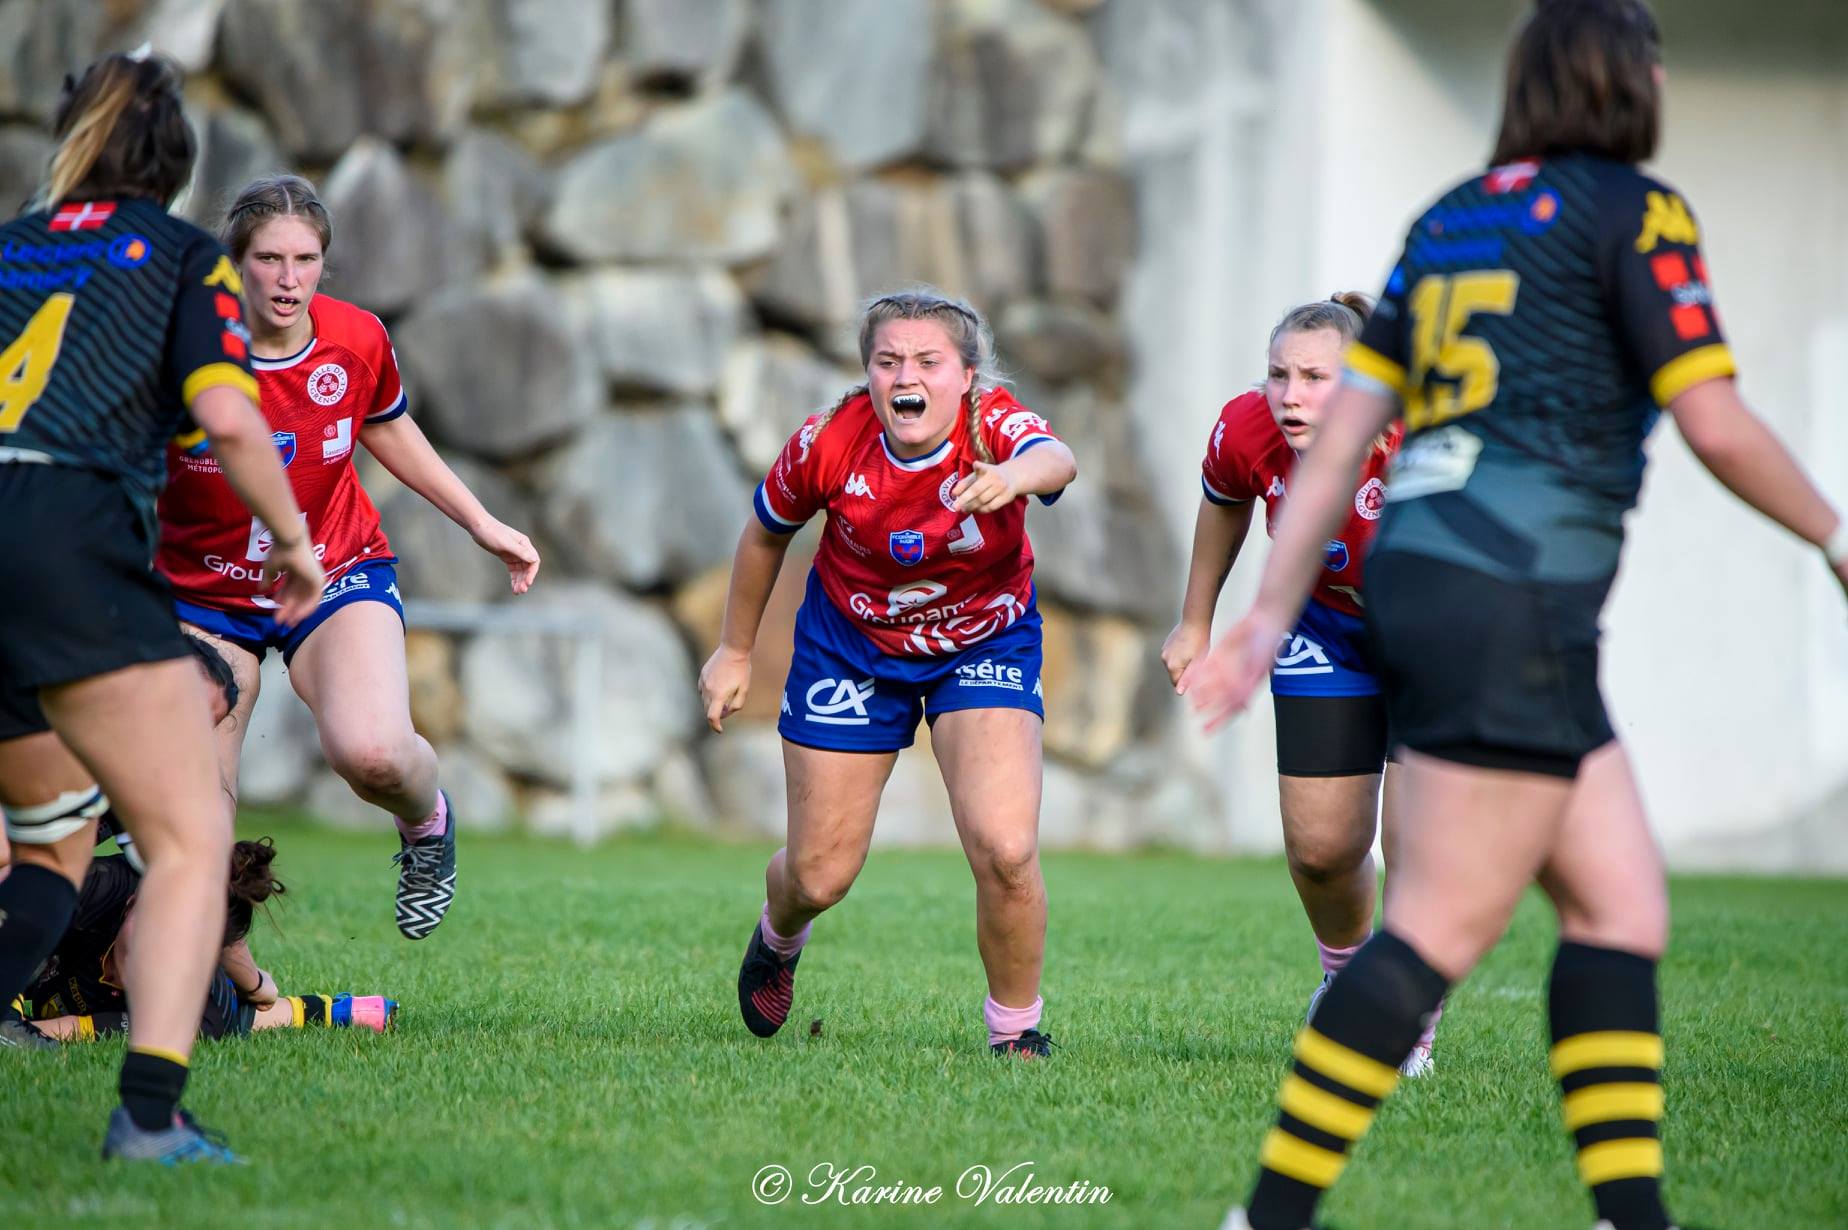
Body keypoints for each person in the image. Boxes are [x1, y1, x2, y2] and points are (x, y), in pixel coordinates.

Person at [1193, 4, 1848, 1229]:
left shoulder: (1450, 218)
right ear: (1625, 79)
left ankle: (1630, 1214)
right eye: (1652, 64)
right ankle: (1268, 1217)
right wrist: (1835, 535)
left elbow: (1341, 442)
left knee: (1618, 904)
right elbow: (1714, 421)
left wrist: (1268, 616)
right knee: (1436, 925)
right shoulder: (1636, 211)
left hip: (1427, 577)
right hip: (1513, 593)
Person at [0, 52, 324, 1163]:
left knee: (53, 843)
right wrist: (293, 543)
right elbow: (231, 420)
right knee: (189, 837)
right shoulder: (184, 259)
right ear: (177, 162)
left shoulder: (12, 247)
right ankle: (148, 1117)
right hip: (73, 547)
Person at [155, 175, 541, 941]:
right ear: (235, 263)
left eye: (305, 259)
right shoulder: (179, 348)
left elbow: (386, 424)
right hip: (201, 594)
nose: (288, 279)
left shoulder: (356, 338)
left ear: (323, 264)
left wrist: (480, 522)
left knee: (375, 755)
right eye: (269, 259)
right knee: (201, 820)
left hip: (335, 566)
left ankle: (427, 825)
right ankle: (222, 979)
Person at [698, 287, 1077, 1056]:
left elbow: (1056, 458)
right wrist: (735, 651)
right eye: (888, 360)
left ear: (966, 375)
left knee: (1006, 848)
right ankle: (780, 933)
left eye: (929, 361)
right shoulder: (829, 442)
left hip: (984, 644)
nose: (907, 376)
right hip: (853, 647)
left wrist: (1014, 477)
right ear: (867, 372)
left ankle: (1015, 1033)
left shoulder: (994, 425)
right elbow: (765, 534)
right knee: (819, 875)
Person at [1160, 294, 1441, 1076]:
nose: (1290, 395)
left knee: (1415, 845)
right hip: (1326, 629)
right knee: (1321, 849)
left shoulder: (1422, 431)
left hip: (1433, 643)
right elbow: (1224, 503)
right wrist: (1195, 622)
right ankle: (1346, 979)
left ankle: (1404, 1018)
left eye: (1316, 378)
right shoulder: (1247, 427)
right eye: (1279, 374)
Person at [18, 836, 397, 1044]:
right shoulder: (96, 889)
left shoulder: (194, 998)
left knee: (221, 1021)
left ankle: (337, 1011)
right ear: (135, 901)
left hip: (201, 997)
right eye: (152, 930)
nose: (151, 954)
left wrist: (257, 987)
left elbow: (76, 1029)